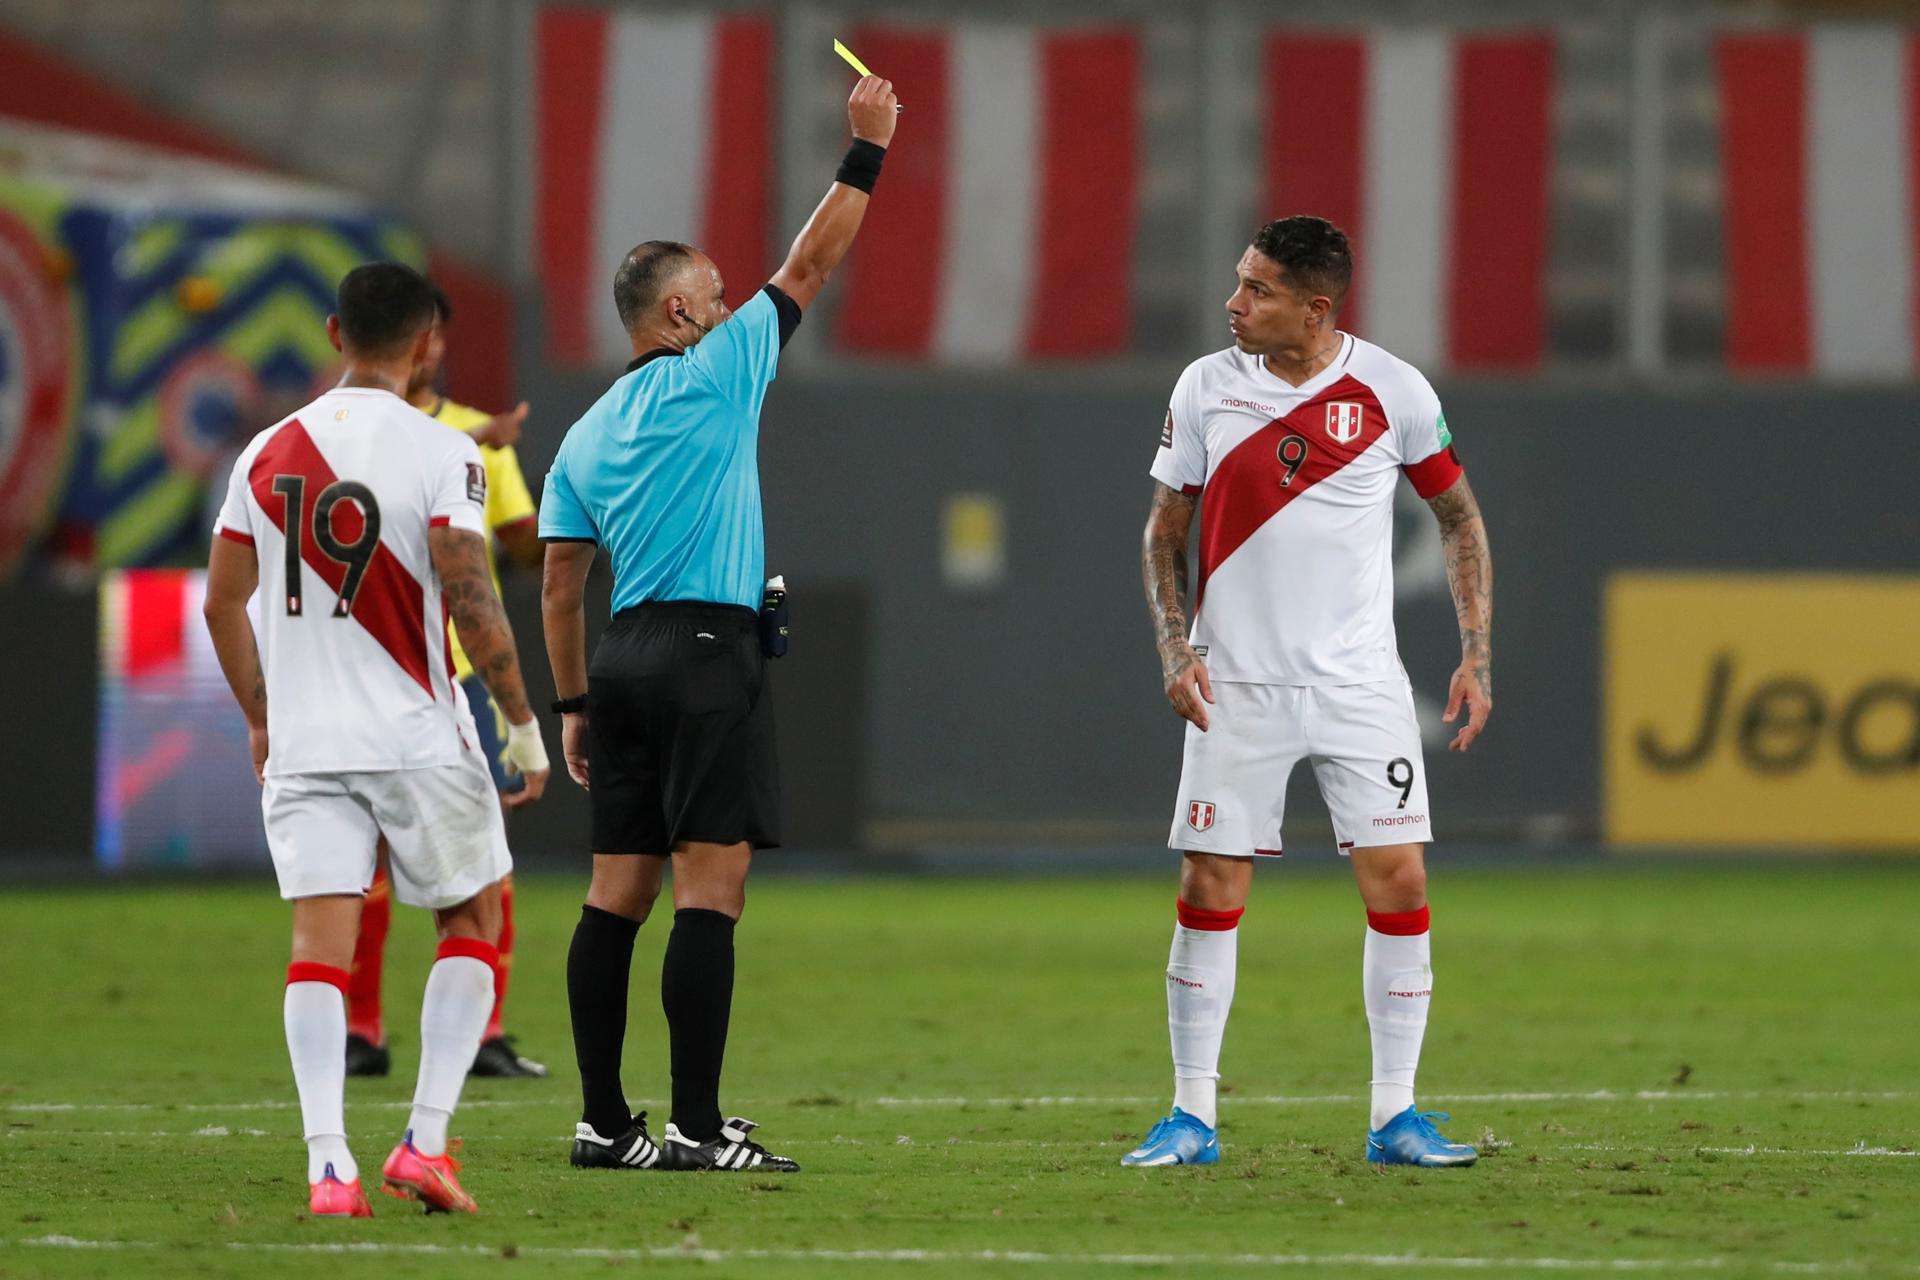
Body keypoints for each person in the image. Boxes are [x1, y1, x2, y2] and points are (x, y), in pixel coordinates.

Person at [539, 75, 898, 1174]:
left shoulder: (584, 434)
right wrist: (867, 151)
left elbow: (559, 584)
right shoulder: (718, 369)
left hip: (622, 656)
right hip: (707, 653)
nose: (733, 298)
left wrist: (572, 703)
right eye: (714, 288)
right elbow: (813, 266)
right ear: (682, 314)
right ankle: (697, 1126)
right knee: (711, 888)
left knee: (616, 891)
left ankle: (605, 1122)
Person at [1124, 216, 1494, 1170]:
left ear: (1315, 308)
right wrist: (1175, 644)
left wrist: (1475, 652)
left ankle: (1395, 1116)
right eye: (1239, 283)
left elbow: (1456, 517)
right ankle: (1191, 1117)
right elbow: (1166, 527)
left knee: (1401, 880)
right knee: (1209, 884)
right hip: (1235, 679)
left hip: (1361, 686)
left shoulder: (1393, 390)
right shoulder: (1206, 386)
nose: (1234, 304)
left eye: (1257, 291)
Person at [202, 262, 551, 1216]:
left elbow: (222, 602)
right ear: (429, 343)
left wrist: (263, 715)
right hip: (417, 736)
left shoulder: (266, 453)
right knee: (472, 920)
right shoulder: (443, 450)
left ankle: (328, 1167)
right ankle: (425, 1145)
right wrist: (523, 726)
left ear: (331, 332)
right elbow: (472, 594)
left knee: (319, 946)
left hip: (307, 744)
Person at [343, 285, 548, 1081]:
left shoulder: (478, 446)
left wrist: (572, 518)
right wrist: (476, 435)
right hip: (404, 679)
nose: (431, 349)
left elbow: (522, 545)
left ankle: (484, 1033)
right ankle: (364, 1031)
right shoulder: (391, 437)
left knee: (482, 860)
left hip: (452, 682)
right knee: (366, 863)